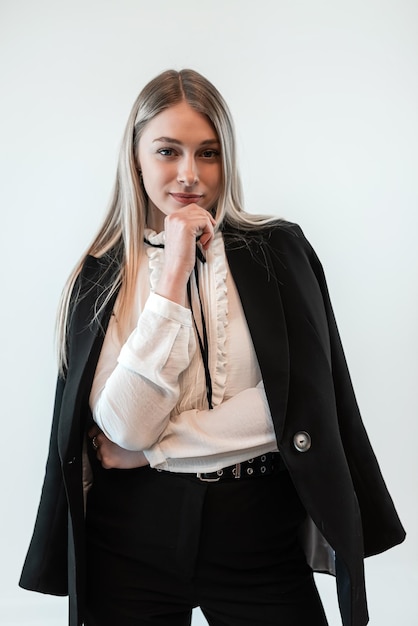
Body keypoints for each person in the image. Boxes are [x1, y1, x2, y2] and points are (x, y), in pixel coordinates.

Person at [19, 69, 405, 626]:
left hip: (257, 531)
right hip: (129, 540)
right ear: (135, 157)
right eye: (168, 151)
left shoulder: (278, 252)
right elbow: (123, 425)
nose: (189, 175)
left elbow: (294, 409)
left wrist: (155, 450)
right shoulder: (101, 274)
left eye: (208, 153)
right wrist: (172, 274)